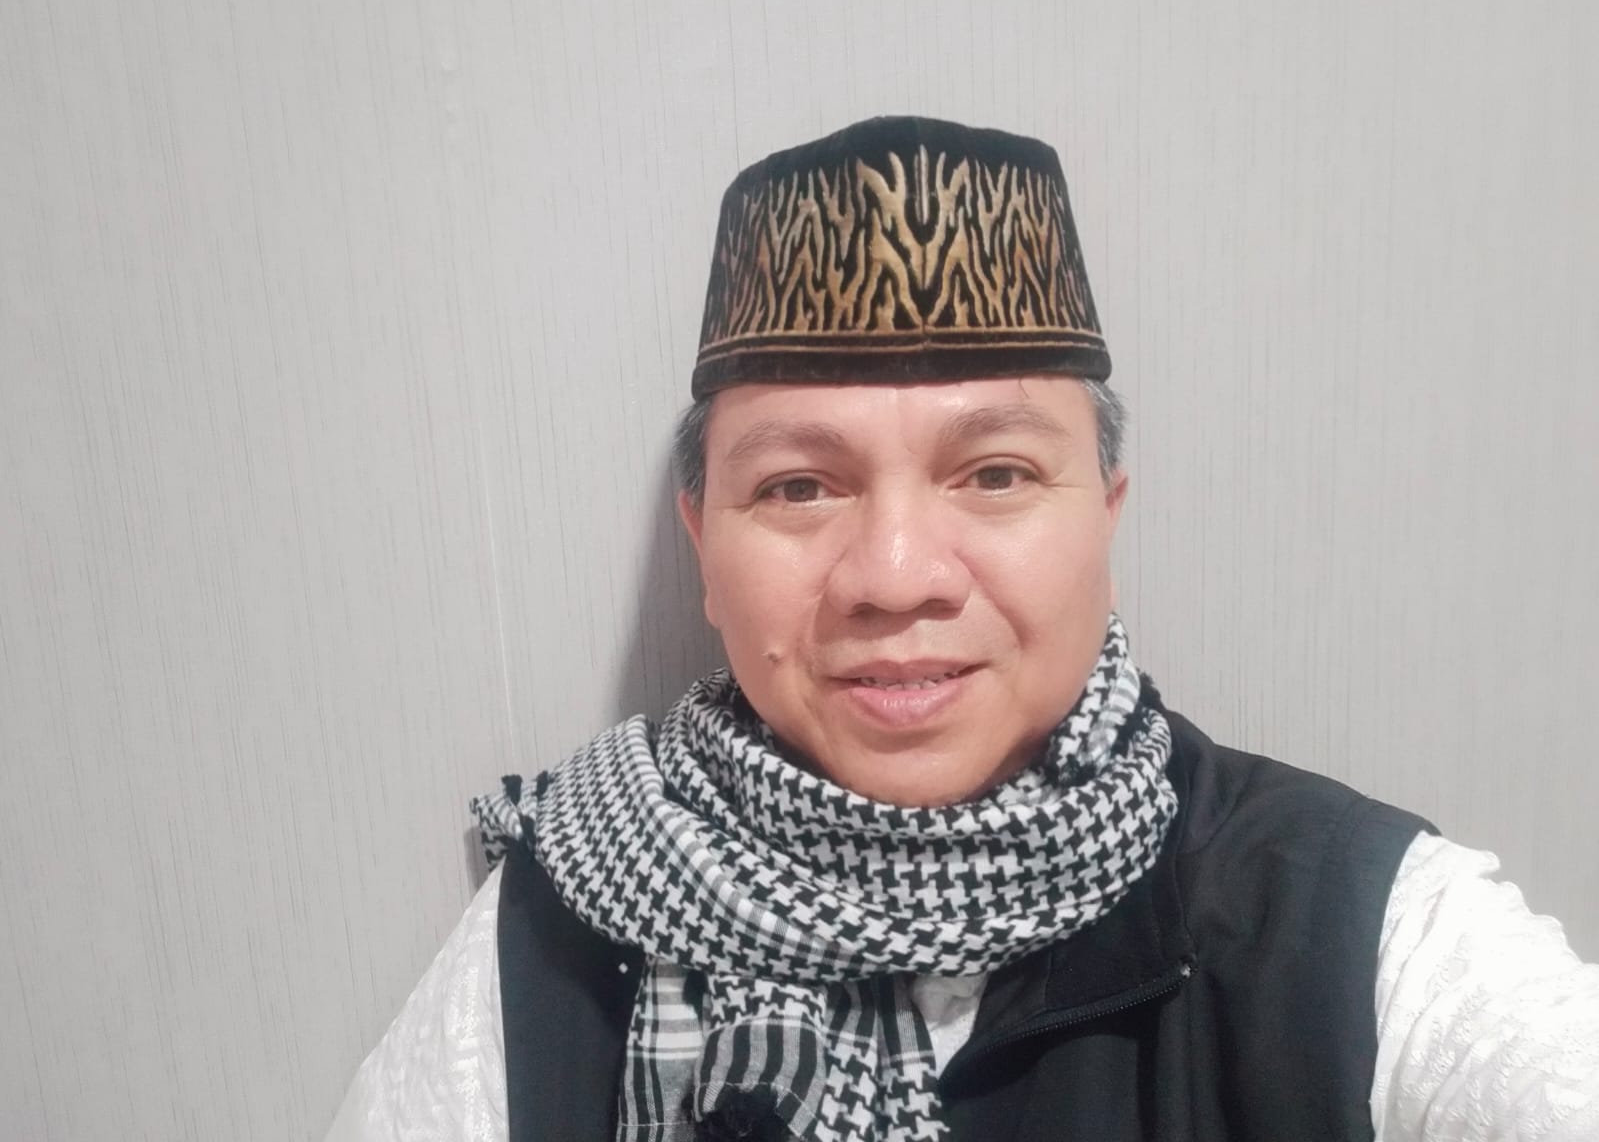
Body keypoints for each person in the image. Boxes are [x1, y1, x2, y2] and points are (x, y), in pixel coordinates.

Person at [327, 117, 1599, 1141]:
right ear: (703, 546)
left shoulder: (1350, 926)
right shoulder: (560, 917)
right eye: (799, 486)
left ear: (1105, 517)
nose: (895, 577)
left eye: (994, 474)